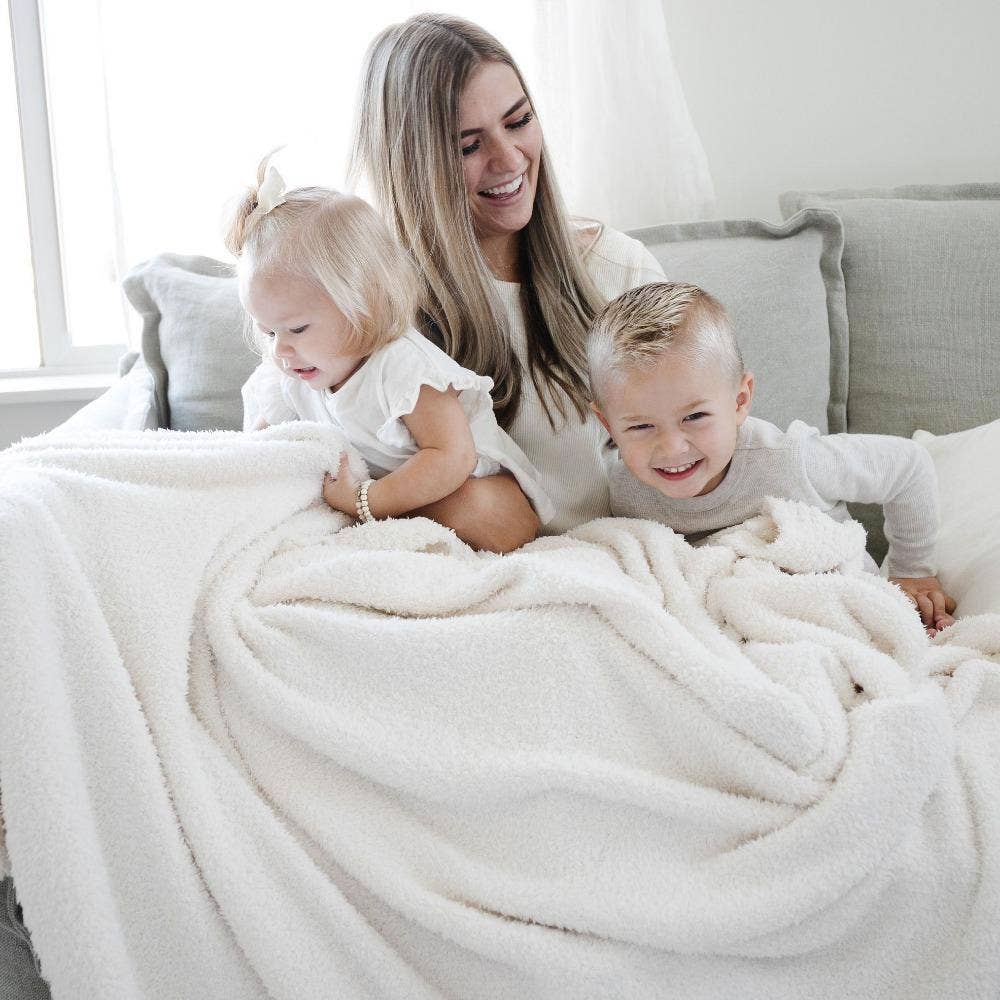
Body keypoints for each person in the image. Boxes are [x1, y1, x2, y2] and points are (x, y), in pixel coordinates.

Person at [349, 14, 666, 546]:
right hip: (470, 578)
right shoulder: (369, 312)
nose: (509, 159)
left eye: (518, 121)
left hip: (630, 557)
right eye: (467, 147)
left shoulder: (619, 271)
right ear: (411, 167)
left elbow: (703, 445)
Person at [586, 281, 957, 635]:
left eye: (694, 417)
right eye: (641, 427)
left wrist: (913, 571)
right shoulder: (625, 492)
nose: (671, 448)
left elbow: (907, 465)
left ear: (740, 401)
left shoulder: (788, 460)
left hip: (835, 605)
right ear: (608, 425)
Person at [230, 156, 554, 552]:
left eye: (297, 329)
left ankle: (389, 522)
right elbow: (267, 445)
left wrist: (365, 501)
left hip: (480, 489)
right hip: (387, 493)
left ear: (363, 305)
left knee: (478, 511)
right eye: (268, 332)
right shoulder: (292, 373)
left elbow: (453, 456)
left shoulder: (402, 366)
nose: (281, 349)